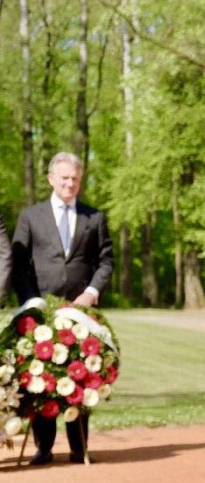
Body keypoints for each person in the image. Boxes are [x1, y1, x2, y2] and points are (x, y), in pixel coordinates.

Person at [11, 152, 111, 465]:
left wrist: (92, 292)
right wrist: (31, 300)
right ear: (51, 179)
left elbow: (106, 261)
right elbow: (18, 264)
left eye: (75, 179)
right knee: (42, 376)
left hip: (82, 312)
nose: (70, 184)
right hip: (41, 310)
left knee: (82, 375)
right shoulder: (31, 216)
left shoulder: (94, 217)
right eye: (65, 178)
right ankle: (44, 447)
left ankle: (79, 447)